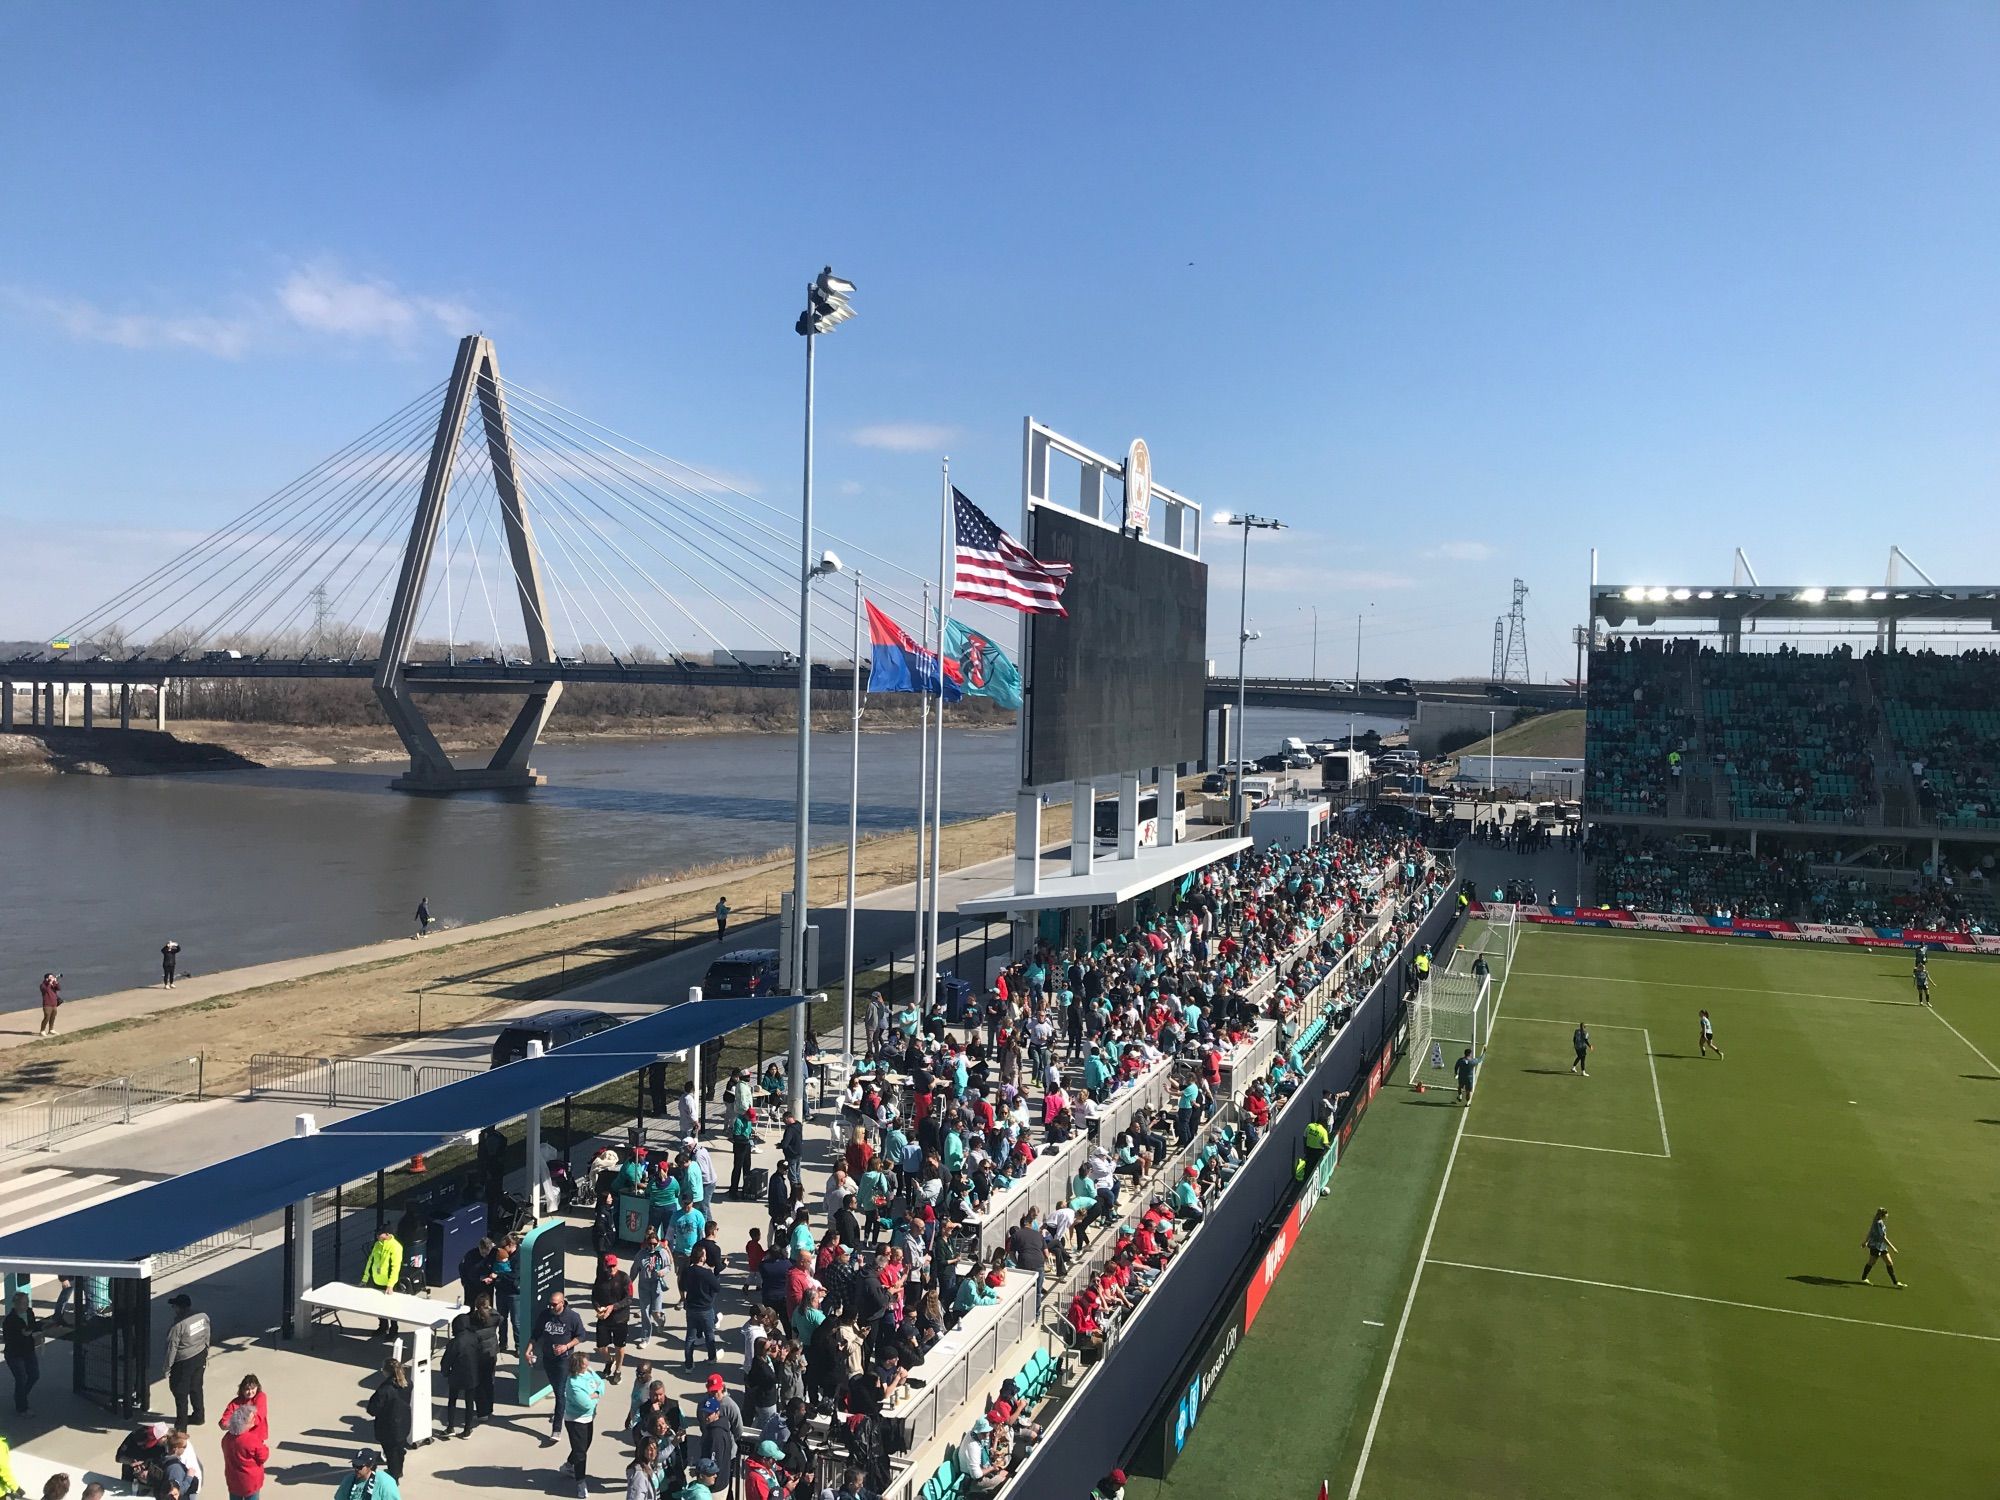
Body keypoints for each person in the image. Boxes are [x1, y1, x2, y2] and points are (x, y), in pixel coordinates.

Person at [533, 1290, 588, 1447]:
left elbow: (582, 1336)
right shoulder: (545, 1315)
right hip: (548, 1359)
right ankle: (562, 1407)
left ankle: (556, 1429)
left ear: (562, 1303)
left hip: (564, 1360)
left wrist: (566, 1346)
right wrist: (528, 1349)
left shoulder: (572, 1317)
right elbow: (536, 1334)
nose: (551, 1306)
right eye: (550, 1303)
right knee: (558, 1389)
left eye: (554, 1304)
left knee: (559, 1392)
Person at [560, 1348, 606, 1500]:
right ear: (578, 1366)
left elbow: (601, 1384)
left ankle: (568, 1466)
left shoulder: (589, 1371)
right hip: (576, 1421)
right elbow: (586, 1404)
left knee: (584, 1445)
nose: (588, 1366)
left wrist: (595, 1394)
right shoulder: (573, 1384)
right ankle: (580, 1483)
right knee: (581, 1453)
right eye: (585, 1365)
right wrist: (595, 1395)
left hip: (588, 1418)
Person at [163, 1291, 212, 1427]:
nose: (173, 1309)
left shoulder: (177, 1326)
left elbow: (171, 1348)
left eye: (175, 1307)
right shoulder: (202, 1317)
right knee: (196, 1387)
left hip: (183, 1362)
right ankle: (198, 1416)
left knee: (180, 1392)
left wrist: (167, 1368)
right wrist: (206, 1351)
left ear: (180, 1308)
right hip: (200, 1355)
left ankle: (181, 1425)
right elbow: (207, 1334)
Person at [364, 1358, 411, 1481]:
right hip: (404, 1423)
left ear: (386, 1371)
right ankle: (399, 1471)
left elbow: (373, 1409)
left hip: (388, 1427)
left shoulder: (384, 1390)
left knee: (391, 1454)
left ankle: (393, 1477)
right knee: (399, 1450)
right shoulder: (407, 1383)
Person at [593, 1253, 633, 1383]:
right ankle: (609, 1361)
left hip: (620, 1318)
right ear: (605, 1266)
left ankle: (618, 1370)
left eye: (613, 1266)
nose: (611, 1269)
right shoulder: (600, 1278)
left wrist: (613, 1307)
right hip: (604, 1317)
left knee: (619, 1346)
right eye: (609, 1266)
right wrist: (598, 1307)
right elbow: (594, 1296)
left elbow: (628, 1299)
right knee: (601, 1346)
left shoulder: (624, 1278)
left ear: (617, 1264)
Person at [439, 1313, 480, 1439]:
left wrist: (445, 1373)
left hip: (456, 1375)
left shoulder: (455, 1342)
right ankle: (467, 1430)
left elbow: (446, 1361)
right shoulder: (474, 1337)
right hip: (472, 1375)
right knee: (469, 1403)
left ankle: (450, 1427)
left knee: (452, 1401)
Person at [220, 1398, 268, 1500]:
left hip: (233, 1480)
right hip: (250, 1483)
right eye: (252, 1419)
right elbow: (263, 1456)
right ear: (244, 1423)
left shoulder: (226, 1438)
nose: (254, 1420)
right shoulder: (252, 1440)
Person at [682, 1244, 722, 1367]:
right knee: (709, 1334)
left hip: (691, 1308)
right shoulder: (707, 1273)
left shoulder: (687, 1271)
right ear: (702, 1258)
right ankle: (711, 1357)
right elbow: (717, 1287)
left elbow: (682, 1285)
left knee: (690, 1337)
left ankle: (688, 1364)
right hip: (705, 1308)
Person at [361, 1229, 403, 1337]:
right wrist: (365, 1279)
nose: (378, 1236)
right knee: (379, 1307)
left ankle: (394, 1330)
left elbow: (395, 1267)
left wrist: (391, 1284)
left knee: (391, 1308)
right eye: (377, 1234)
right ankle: (382, 1327)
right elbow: (370, 1261)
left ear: (388, 1234)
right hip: (377, 1281)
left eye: (380, 1234)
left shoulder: (395, 1246)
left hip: (389, 1284)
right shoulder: (377, 1244)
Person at [3, 1293, 36, 1416]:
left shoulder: (29, 1313)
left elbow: (33, 1325)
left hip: (29, 1350)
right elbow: (8, 1339)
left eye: (27, 1302)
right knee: (21, 1378)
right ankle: (22, 1407)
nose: (26, 1305)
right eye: (23, 1303)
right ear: (16, 1304)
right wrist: (22, 1335)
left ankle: (20, 1396)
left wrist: (34, 1331)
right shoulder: (10, 1320)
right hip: (15, 1354)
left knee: (34, 1375)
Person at [1860, 1207, 1903, 1287]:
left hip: (1882, 1246)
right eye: (1886, 1214)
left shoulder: (1877, 1220)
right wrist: (1893, 1248)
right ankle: (1864, 1279)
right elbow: (1883, 1238)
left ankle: (1896, 1282)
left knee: (1889, 1262)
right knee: (1871, 1262)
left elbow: (1870, 1231)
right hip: (1875, 1246)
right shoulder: (1878, 1223)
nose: (1887, 1215)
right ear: (1883, 1215)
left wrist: (1865, 1241)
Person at [334, 1450, 400, 1500]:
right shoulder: (348, 1480)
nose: (356, 1469)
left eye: (359, 1466)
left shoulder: (385, 1483)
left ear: (370, 1466)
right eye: (354, 1465)